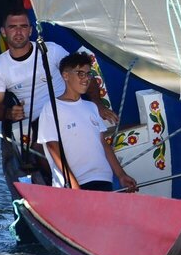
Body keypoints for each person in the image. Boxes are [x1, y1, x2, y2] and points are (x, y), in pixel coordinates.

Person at [0, 9, 118, 145]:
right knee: (43, 147)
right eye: (12, 27)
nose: (19, 32)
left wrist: (98, 105)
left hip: (70, 110)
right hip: (38, 124)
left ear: (30, 31)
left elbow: (82, 76)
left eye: (24, 26)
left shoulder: (51, 50)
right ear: (3, 32)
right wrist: (9, 113)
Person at [37, 52, 136, 192]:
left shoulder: (91, 107)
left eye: (88, 74)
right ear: (65, 76)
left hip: (103, 179)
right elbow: (53, 147)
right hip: (74, 184)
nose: (86, 79)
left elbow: (103, 145)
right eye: (80, 74)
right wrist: (73, 184)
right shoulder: (52, 108)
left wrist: (121, 175)